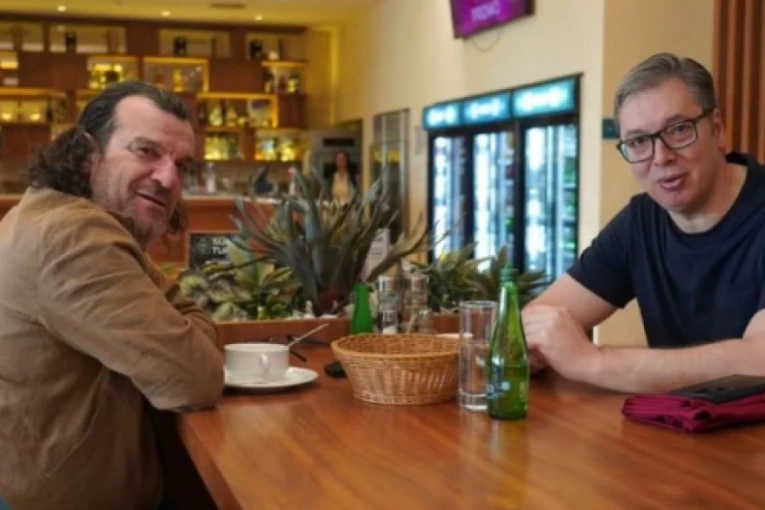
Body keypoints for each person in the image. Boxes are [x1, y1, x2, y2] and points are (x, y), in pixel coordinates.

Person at [0, 81, 224, 509]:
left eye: (182, 166)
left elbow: (190, 323)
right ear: (88, 152)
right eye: (146, 151)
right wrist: (189, 338)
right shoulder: (74, 236)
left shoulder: (52, 212)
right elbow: (195, 378)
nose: (168, 178)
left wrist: (188, 335)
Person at [523, 53, 765, 394]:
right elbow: (536, 322)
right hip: (672, 424)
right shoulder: (641, 222)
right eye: (638, 142)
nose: (661, 157)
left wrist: (591, 360)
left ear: (717, 130)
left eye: (679, 130)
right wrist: (532, 348)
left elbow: (758, 361)